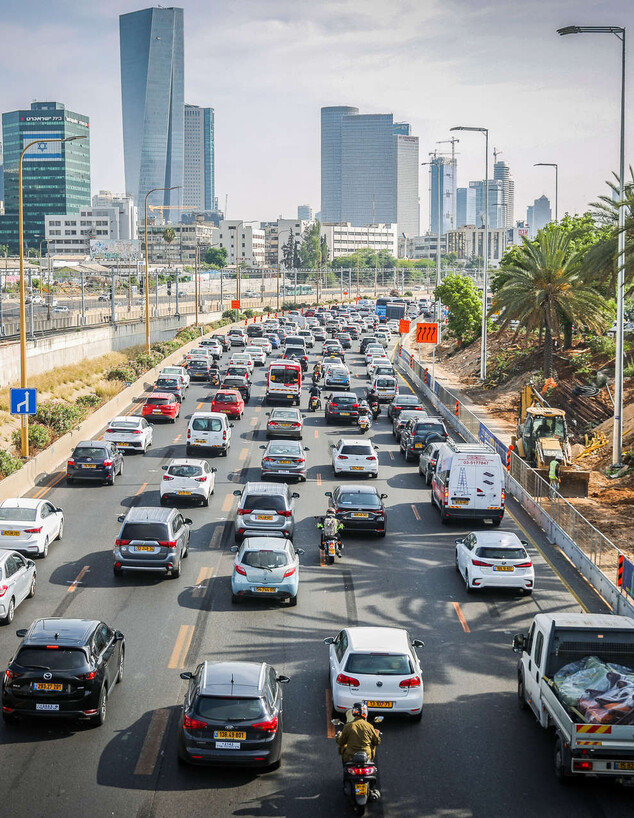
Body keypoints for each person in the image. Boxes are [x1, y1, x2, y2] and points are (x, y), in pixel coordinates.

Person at [336, 702, 381, 798]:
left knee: (343, 751)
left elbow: (340, 742)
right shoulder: (369, 726)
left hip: (350, 756)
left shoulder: (348, 726)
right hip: (367, 757)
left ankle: (345, 774)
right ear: (365, 712)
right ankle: (372, 787)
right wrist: (376, 734)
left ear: (353, 713)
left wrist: (339, 735)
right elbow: (376, 742)